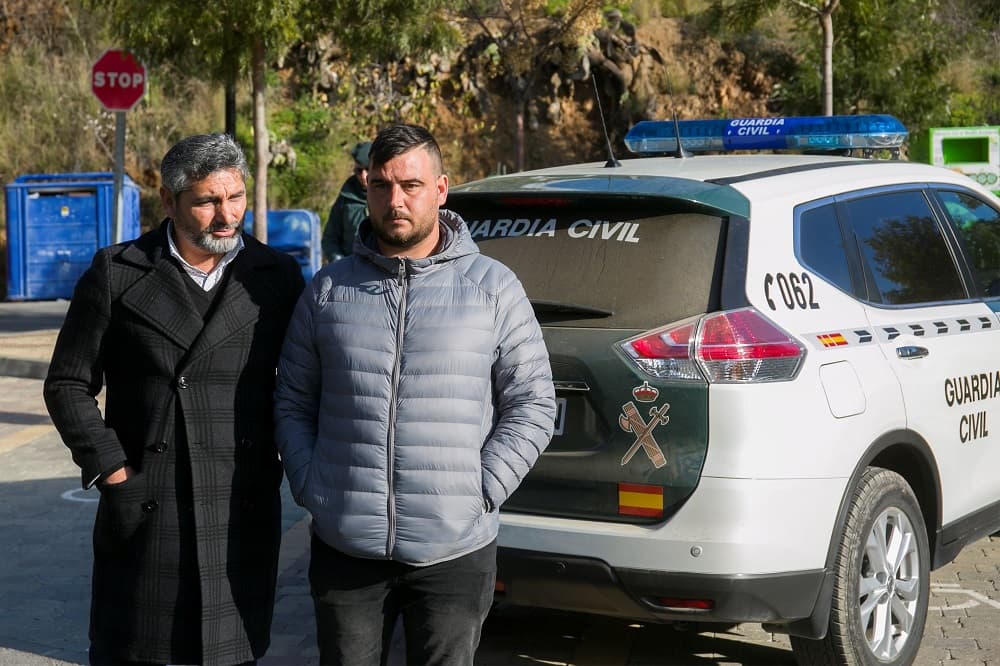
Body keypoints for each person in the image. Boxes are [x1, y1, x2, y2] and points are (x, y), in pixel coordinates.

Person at [274, 124, 556, 665]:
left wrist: (480, 490)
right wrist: (313, 486)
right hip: (346, 548)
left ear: (441, 189)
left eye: (411, 185)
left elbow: (533, 404)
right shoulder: (329, 289)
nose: (395, 200)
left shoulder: (493, 287)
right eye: (381, 186)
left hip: (454, 551)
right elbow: (292, 400)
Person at [43, 133, 305, 666]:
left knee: (229, 653)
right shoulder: (118, 272)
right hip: (148, 503)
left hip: (239, 505)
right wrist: (113, 470)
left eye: (235, 197)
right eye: (208, 201)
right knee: (137, 649)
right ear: (169, 200)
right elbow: (67, 383)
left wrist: (289, 462)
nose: (226, 216)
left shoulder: (275, 277)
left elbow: (303, 384)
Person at [321, 140, 371, 263]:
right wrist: (339, 263)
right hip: (350, 268)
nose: (363, 176)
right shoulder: (345, 198)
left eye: (368, 169)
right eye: (359, 170)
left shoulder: (389, 196)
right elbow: (330, 239)